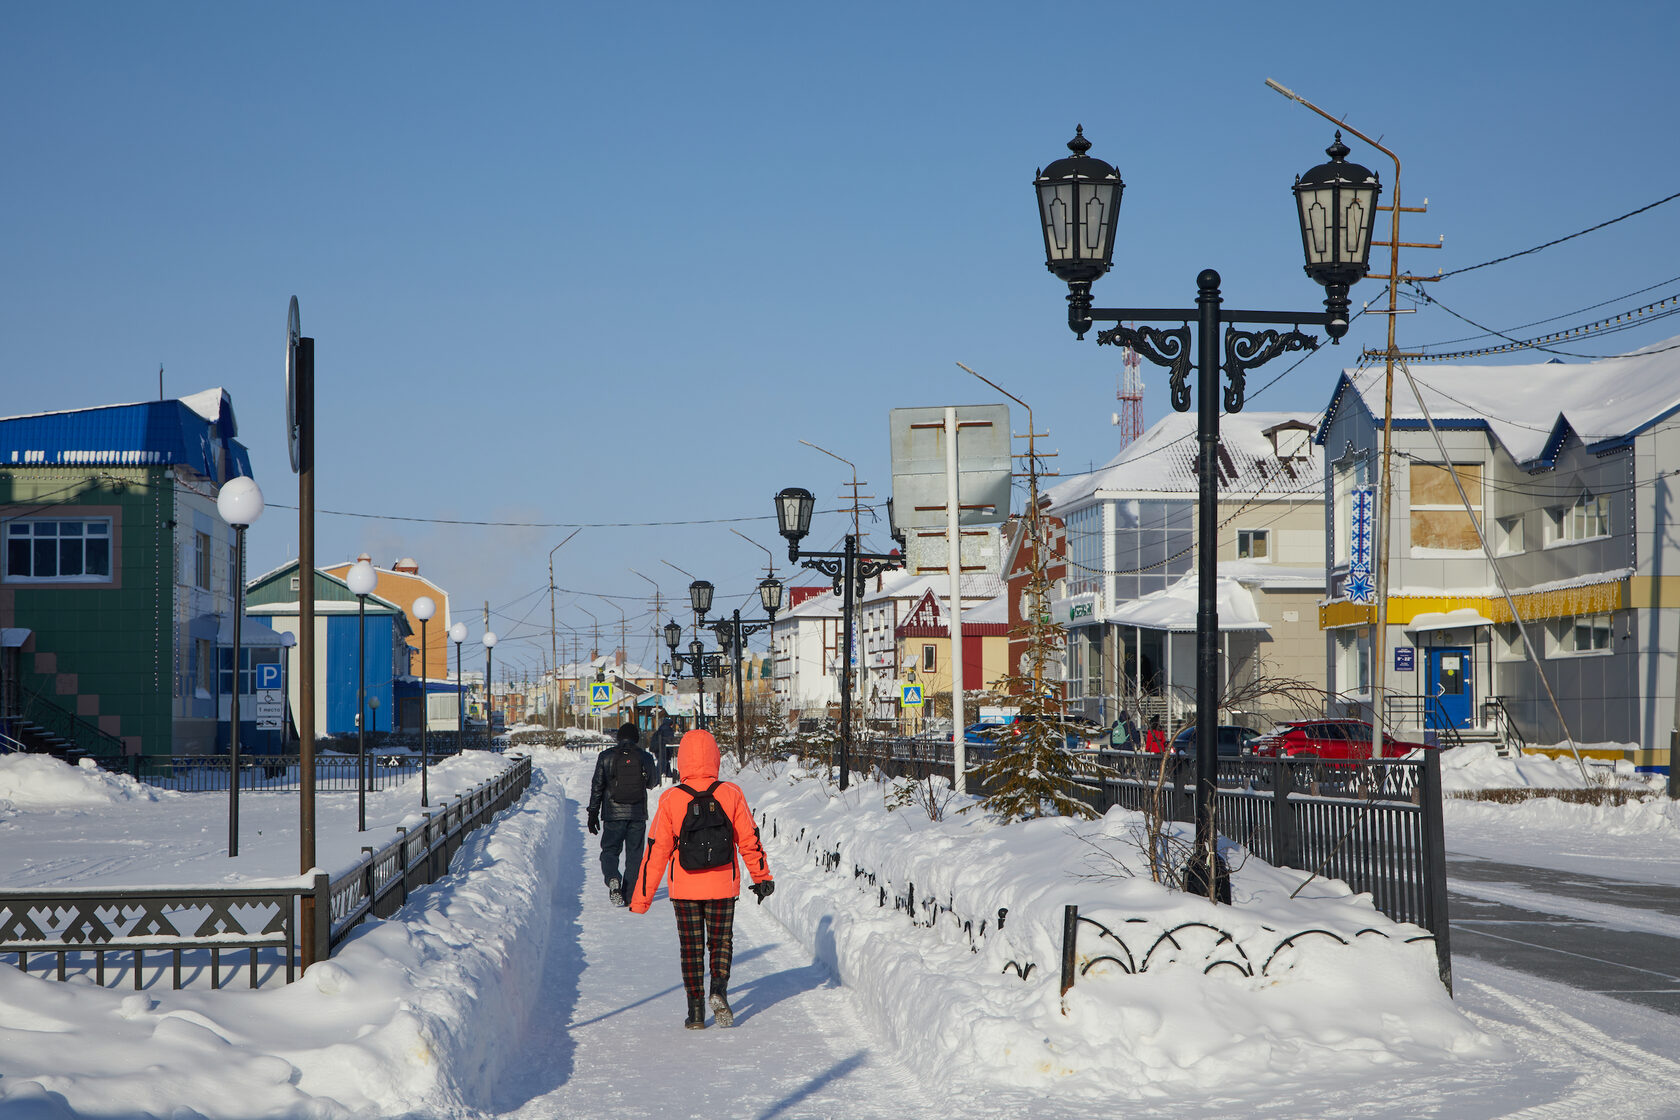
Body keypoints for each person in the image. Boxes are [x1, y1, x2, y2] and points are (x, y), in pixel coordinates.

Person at [629, 727, 773, 1030]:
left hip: (684, 886)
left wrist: (642, 899)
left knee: (691, 946)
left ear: (682, 760)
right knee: (721, 941)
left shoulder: (671, 798)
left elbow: (656, 851)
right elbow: (749, 840)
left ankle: (695, 1012)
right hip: (722, 883)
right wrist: (761, 876)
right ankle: (718, 990)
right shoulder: (731, 793)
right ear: (715, 757)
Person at [587, 722, 661, 907]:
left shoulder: (605, 756)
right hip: (637, 814)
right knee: (635, 856)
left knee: (610, 851)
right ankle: (628, 895)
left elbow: (597, 787)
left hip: (613, 815)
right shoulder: (644, 756)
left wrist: (593, 813)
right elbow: (652, 782)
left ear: (618, 737)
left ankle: (613, 878)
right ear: (636, 738)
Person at [651, 711, 678, 779]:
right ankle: (657, 779)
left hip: (658, 748)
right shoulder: (668, 730)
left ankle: (668, 775)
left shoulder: (661, 728)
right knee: (662, 763)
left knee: (663, 762)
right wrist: (671, 752)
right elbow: (670, 741)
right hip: (664, 749)